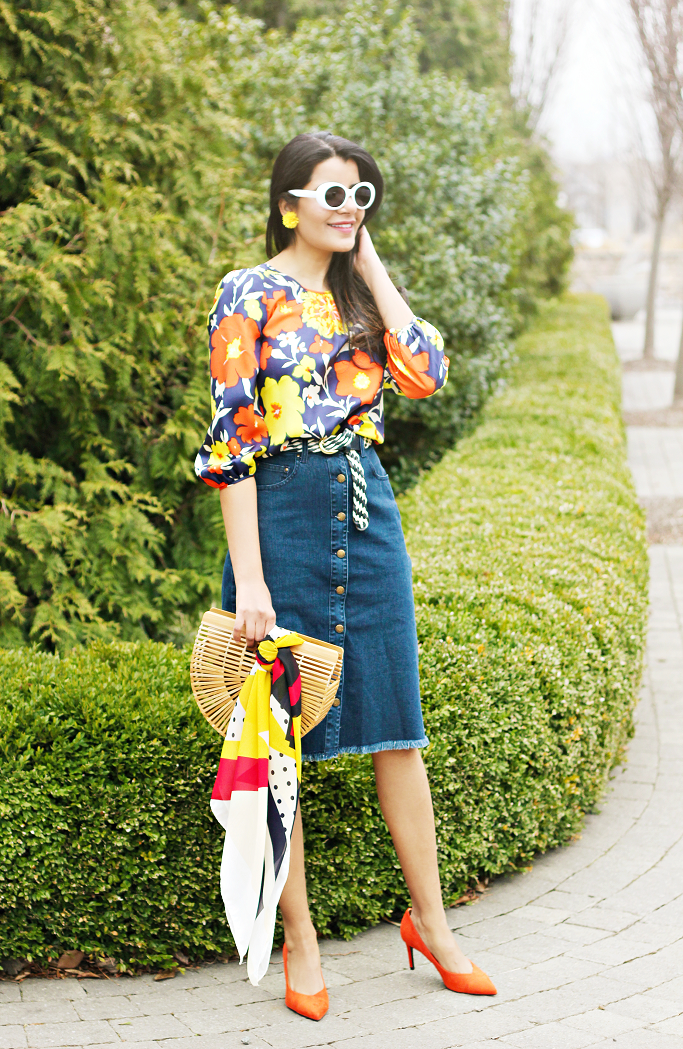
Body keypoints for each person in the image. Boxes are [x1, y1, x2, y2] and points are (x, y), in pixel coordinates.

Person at [195, 131, 496, 1020]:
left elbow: (427, 373)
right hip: (281, 513)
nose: (343, 209)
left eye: (359, 197)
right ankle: (302, 937)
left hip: (366, 513)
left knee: (397, 726)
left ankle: (432, 925)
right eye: (330, 195)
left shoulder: (364, 299)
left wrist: (370, 264)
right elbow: (231, 445)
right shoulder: (245, 293)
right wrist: (249, 581)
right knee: (277, 733)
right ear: (288, 199)